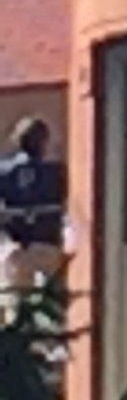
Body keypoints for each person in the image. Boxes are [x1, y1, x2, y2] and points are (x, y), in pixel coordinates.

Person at [0, 116, 67, 292]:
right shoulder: (56, 172)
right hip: (48, 245)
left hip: (15, 246)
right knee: (57, 294)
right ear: (44, 141)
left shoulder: (4, 170)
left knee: (14, 296)